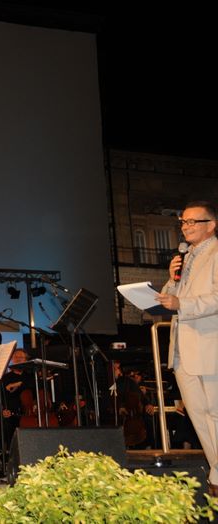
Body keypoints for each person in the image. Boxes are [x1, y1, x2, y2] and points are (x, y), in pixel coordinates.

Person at [156, 200, 218, 497]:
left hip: (209, 346)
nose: (186, 226)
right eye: (183, 222)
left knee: (215, 414)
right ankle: (216, 471)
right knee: (198, 416)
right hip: (182, 349)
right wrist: (171, 280)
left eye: (193, 221)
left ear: (212, 225)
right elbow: (168, 300)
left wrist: (182, 303)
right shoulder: (184, 257)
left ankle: (217, 476)